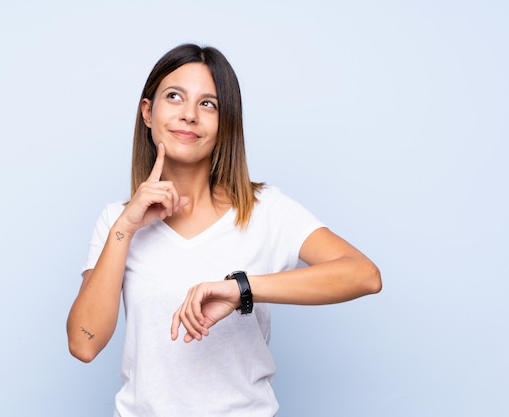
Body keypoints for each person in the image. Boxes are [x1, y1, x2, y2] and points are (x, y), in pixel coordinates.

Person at [67, 43, 382, 417]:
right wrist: (126, 226)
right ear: (148, 112)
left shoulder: (265, 211)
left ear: (225, 122)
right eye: (174, 97)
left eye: (208, 104)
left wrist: (241, 289)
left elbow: (365, 275)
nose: (189, 115)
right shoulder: (115, 222)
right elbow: (84, 344)